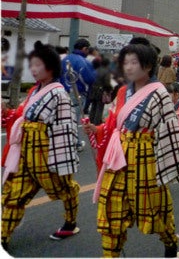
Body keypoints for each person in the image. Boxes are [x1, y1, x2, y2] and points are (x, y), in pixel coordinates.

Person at [82, 39, 179, 257]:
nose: (128, 67)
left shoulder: (160, 93)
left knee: (154, 210)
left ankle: (170, 243)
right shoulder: (123, 92)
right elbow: (115, 123)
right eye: (126, 63)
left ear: (148, 66)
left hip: (147, 159)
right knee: (110, 210)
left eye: (134, 62)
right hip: (119, 158)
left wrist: (169, 166)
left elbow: (170, 132)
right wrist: (97, 129)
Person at [2, 41, 80, 250]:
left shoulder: (59, 93)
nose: (34, 70)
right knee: (14, 195)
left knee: (64, 188)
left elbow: (66, 129)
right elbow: (21, 116)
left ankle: (70, 222)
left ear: (51, 67)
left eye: (38, 65)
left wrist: (63, 159)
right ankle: (3, 237)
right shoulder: (35, 91)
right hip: (27, 152)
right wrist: (7, 115)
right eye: (32, 65)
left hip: (48, 152)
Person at [61, 38, 96, 152]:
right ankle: (74, 143)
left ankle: (63, 142)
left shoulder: (64, 59)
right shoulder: (83, 62)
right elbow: (90, 78)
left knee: (63, 118)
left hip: (62, 92)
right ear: (84, 48)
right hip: (77, 93)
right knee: (73, 119)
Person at [88, 57, 113, 126]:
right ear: (108, 64)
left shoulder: (96, 70)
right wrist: (109, 89)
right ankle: (97, 122)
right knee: (99, 107)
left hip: (93, 89)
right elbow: (107, 83)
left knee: (93, 106)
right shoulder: (106, 71)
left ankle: (91, 120)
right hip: (101, 91)